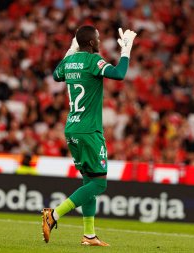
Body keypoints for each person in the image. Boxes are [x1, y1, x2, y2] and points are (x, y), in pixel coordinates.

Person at [41, 25, 136, 246]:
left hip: (72, 128)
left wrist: (70, 51)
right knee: (100, 184)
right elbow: (119, 74)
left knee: (88, 180)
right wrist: (126, 51)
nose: (100, 42)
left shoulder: (69, 61)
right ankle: (53, 215)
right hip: (89, 131)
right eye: (99, 39)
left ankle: (89, 235)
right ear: (92, 43)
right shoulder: (94, 61)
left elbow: (56, 76)